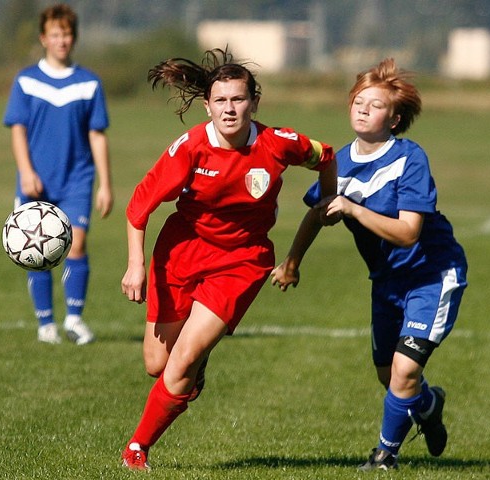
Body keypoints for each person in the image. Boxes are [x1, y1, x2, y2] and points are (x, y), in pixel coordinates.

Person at [119, 47, 337, 470]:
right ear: (208, 105)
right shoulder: (191, 148)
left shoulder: (279, 143)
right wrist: (135, 264)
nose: (230, 108)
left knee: (179, 364)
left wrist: (329, 198)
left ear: (254, 102)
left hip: (242, 261)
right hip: (182, 251)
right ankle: (196, 362)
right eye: (221, 100)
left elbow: (325, 155)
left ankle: (137, 448)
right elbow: (139, 207)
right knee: (156, 365)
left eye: (238, 99)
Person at [271, 58, 468, 470]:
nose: (362, 108)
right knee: (389, 376)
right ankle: (429, 406)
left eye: (375, 105)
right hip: (387, 282)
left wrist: (354, 209)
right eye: (358, 100)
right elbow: (317, 212)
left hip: (432, 275)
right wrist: (291, 262)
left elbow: (409, 232)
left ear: (394, 119)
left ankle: (384, 457)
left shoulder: (409, 159)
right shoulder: (337, 163)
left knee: (403, 370)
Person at [3, 3, 113, 345]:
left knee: (76, 244)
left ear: (74, 38)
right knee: (37, 250)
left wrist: (105, 184)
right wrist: (25, 171)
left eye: (66, 34)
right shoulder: (26, 80)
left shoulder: (89, 83)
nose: (61, 40)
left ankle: (75, 320)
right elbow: (17, 129)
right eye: (55, 34)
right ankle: (46, 324)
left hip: (77, 178)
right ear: (43, 38)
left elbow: (97, 134)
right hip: (37, 178)